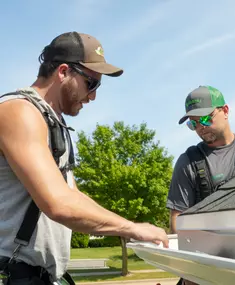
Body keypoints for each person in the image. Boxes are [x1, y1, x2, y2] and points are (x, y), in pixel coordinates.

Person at [0, 31, 168, 285]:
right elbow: (59, 204)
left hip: (41, 276)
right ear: (64, 71)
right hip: (13, 273)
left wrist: (131, 225)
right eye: (91, 83)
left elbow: (73, 196)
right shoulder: (19, 112)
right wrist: (132, 228)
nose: (93, 96)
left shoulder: (53, 123)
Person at [166, 85, 235, 285]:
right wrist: (192, 270)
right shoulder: (187, 162)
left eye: (205, 118)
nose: (200, 127)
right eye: (193, 123)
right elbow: (177, 220)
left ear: (225, 110)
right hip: (210, 268)